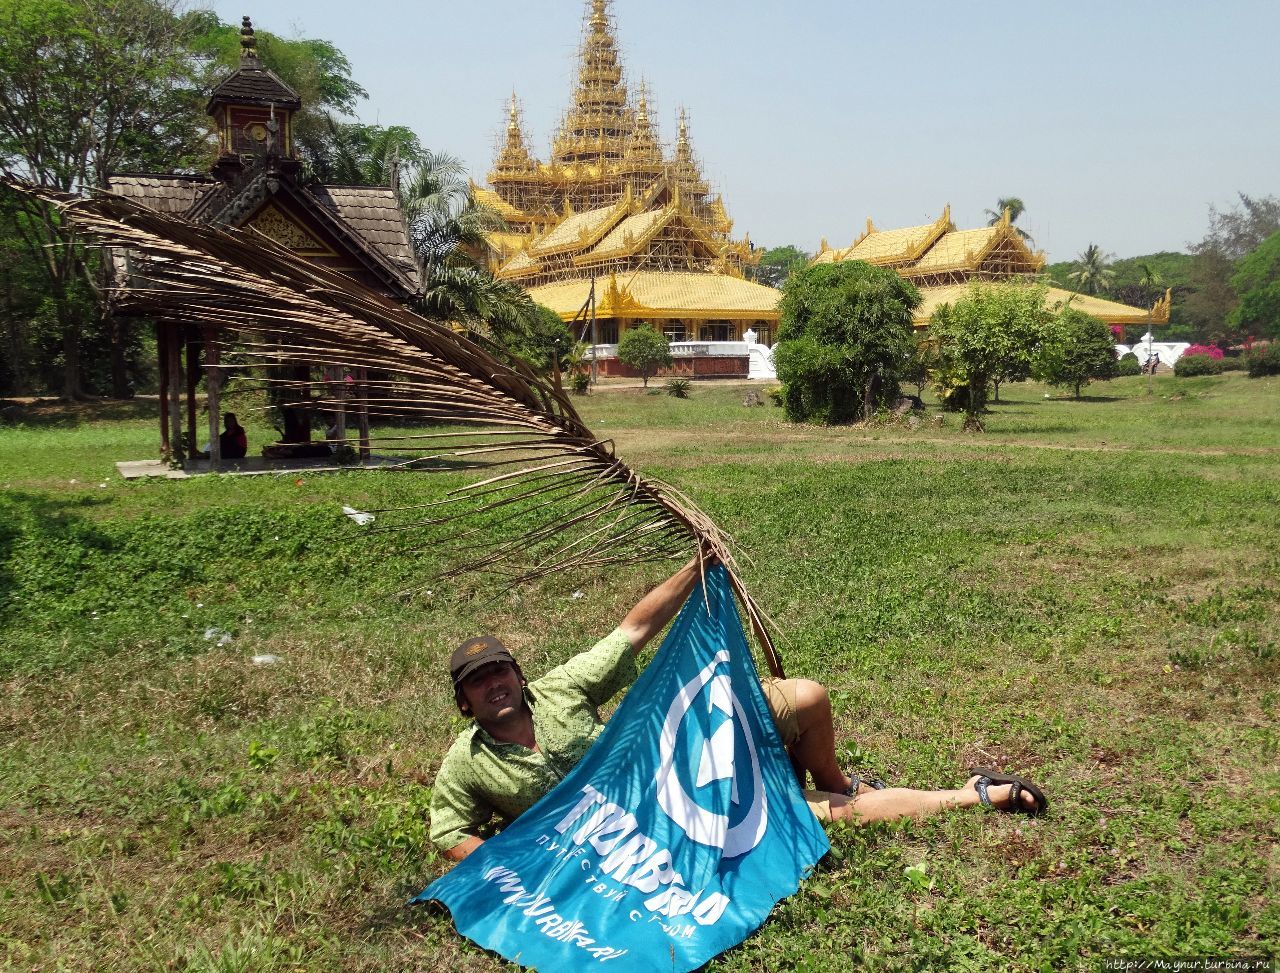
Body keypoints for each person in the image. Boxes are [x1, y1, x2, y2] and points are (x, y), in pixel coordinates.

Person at [429, 558, 1047, 862]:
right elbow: (450, 831)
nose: (496, 685)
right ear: (465, 702)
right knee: (820, 818)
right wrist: (504, 857)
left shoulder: (562, 689)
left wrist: (695, 569)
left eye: (501, 670)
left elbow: (634, 629)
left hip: (678, 758)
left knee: (805, 698)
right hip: (654, 824)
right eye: (479, 682)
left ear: (518, 673)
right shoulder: (467, 762)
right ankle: (973, 795)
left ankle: (834, 776)